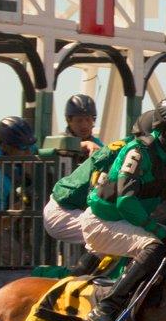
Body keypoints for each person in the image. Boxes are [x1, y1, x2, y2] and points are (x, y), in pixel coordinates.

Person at [80, 95, 166, 321]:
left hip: (128, 222)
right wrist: (160, 231)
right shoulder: (138, 151)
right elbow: (125, 202)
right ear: (165, 129)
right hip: (102, 221)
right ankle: (105, 308)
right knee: (156, 246)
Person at [44, 110, 155, 274]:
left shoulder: (136, 147)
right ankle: (65, 279)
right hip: (62, 212)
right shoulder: (133, 152)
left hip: (76, 208)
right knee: (125, 234)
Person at [0, 116, 38, 264]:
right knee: (22, 261)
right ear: (4, 146)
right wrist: (17, 210)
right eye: (23, 148)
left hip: (9, 225)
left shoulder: (19, 153)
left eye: (30, 146)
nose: (29, 152)